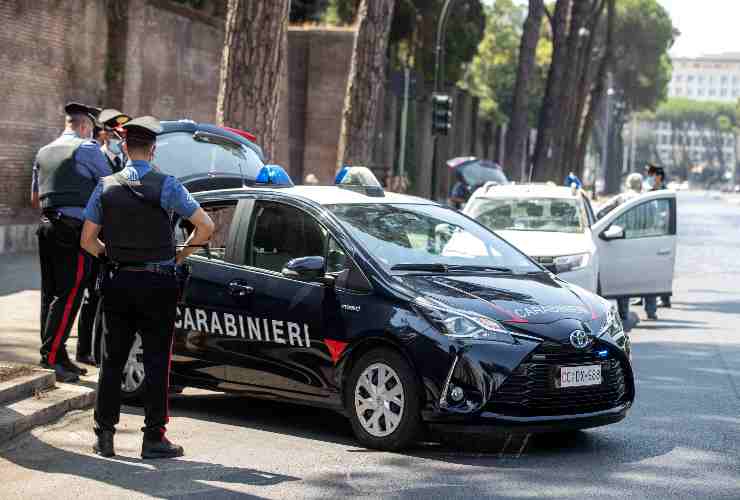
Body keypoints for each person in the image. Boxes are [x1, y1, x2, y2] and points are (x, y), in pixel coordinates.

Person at [81, 116, 214, 459]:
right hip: (158, 282)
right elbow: (206, 226)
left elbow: (87, 240)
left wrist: (110, 256)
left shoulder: (105, 185)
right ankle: (153, 438)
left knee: (112, 360)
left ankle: (105, 436)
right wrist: (180, 257)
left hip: (118, 281)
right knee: (157, 360)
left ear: (124, 148)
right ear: (153, 150)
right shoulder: (167, 185)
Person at [32, 102, 113, 382]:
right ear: (84, 126)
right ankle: (51, 357)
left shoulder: (43, 152)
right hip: (74, 231)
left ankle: (56, 353)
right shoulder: (87, 148)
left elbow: (35, 198)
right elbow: (110, 184)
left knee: (51, 295)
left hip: (46, 227)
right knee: (69, 295)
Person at [75, 109, 132, 365]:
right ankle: (84, 348)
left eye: (123, 135)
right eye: (115, 133)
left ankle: (100, 349)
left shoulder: (122, 162)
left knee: (108, 296)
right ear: (104, 134)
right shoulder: (96, 159)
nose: (120, 139)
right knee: (92, 295)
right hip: (96, 238)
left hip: (117, 238)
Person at [596, 172, 644, 330]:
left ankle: (611, 314)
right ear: (641, 184)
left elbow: (601, 211)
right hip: (643, 241)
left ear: (628, 184)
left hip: (620, 240)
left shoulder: (621, 198)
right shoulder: (646, 199)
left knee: (620, 276)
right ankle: (631, 312)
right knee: (636, 277)